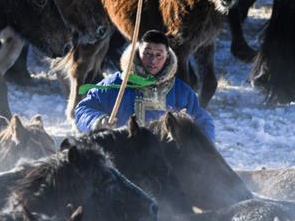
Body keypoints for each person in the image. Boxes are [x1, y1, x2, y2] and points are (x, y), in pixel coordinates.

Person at [74, 30, 215, 141]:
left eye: (159, 55)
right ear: (138, 53)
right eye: (147, 54)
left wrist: (201, 147)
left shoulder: (180, 91)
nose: (153, 60)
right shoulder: (114, 85)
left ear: (167, 56)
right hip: (123, 161)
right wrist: (98, 122)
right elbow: (82, 110)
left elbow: (204, 120)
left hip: (166, 165)